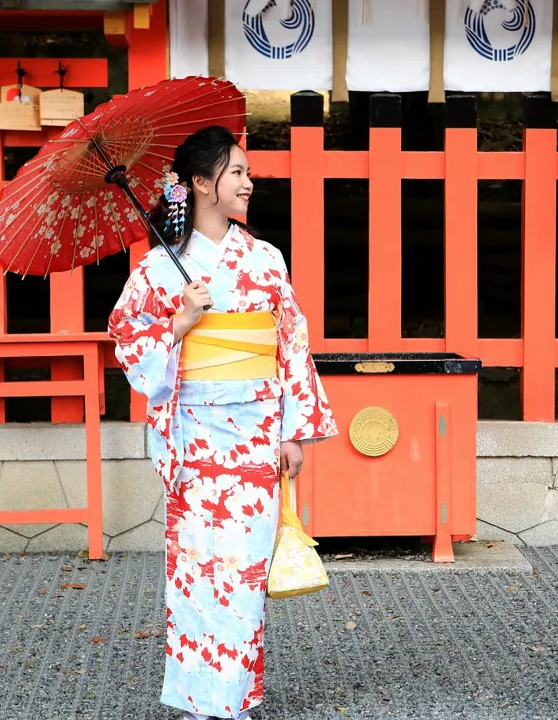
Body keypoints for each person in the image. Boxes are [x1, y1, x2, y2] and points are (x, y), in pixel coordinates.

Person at [109, 125, 338, 720]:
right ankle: (198, 697)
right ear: (200, 183)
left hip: (256, 434)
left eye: (247, 172)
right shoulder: (160, 269)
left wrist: (292, 429)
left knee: (243, 567)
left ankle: (233, 693)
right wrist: (178, 325)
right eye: (237, 172)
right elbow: (127, 341)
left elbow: (291, 343)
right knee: (194, 564)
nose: (248, 182)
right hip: (194, 434)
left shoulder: (264, 259)